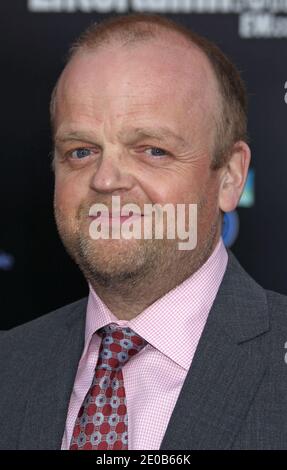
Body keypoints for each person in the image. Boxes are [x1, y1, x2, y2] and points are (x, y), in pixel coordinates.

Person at [0, 13, 287, 451]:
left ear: (230, 176)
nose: (107, 179)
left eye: (153, 150)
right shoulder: (9, 366)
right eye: (81, 151)